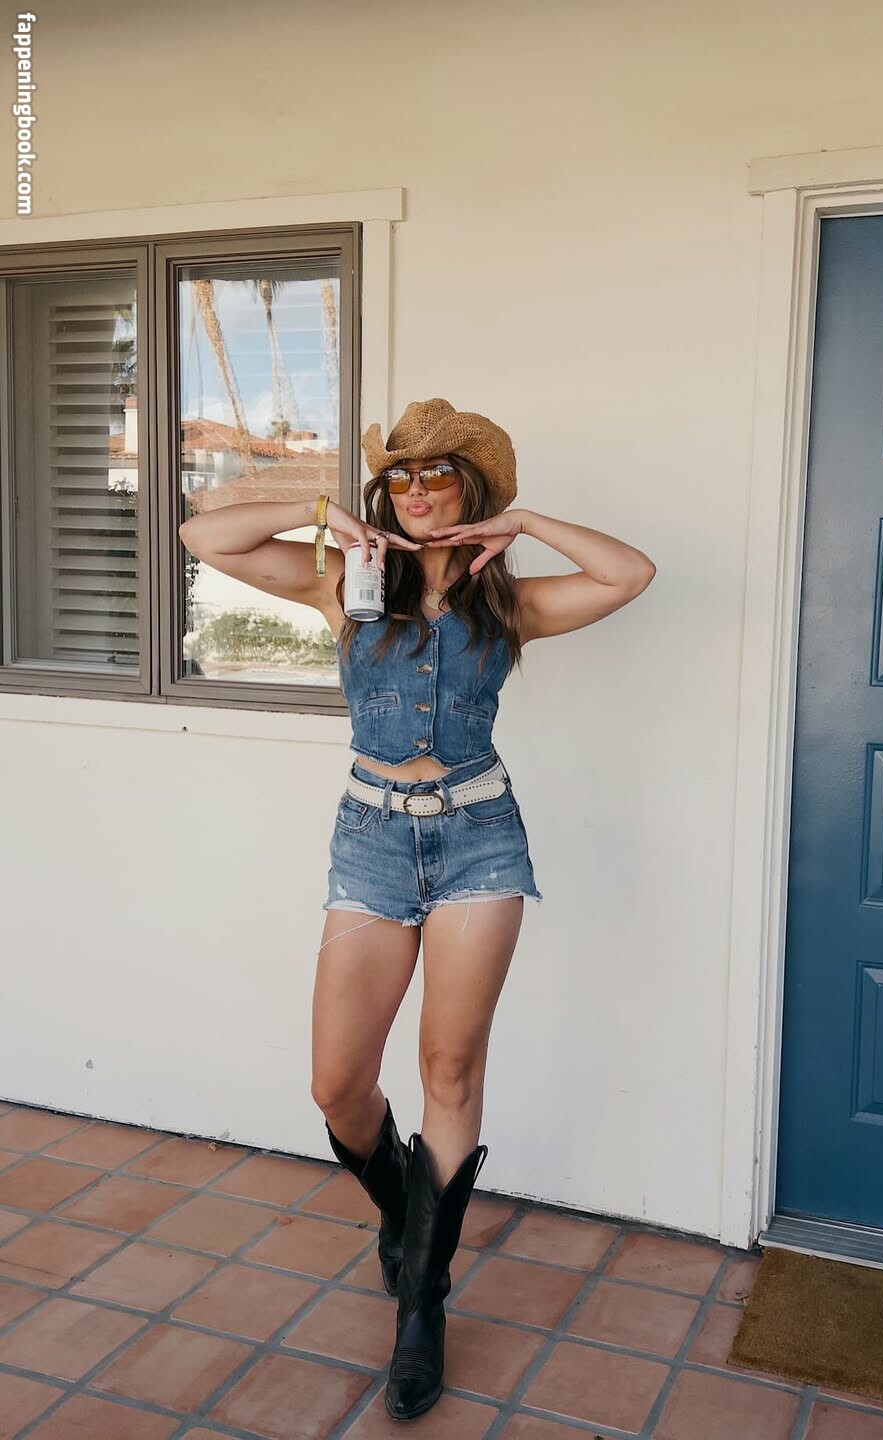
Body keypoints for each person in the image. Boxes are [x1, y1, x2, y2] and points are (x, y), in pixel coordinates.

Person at [178, 398, 656, 1422]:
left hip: (480, 838)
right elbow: (202, 535)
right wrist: (321, 511)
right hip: (371, 839)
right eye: (400, 476)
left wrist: (524, 526)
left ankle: (421, 1307)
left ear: (470, 488)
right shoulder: (344, 585)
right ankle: (405, 1215)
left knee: (449, 1069)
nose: (417, 490)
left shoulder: (507, 606)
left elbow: (629, 574)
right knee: (337, 1084)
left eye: (437, 473)